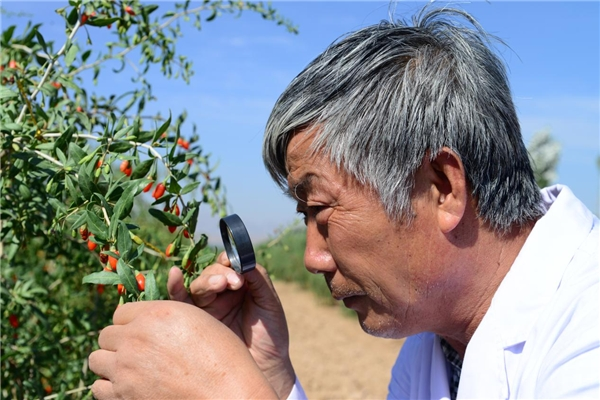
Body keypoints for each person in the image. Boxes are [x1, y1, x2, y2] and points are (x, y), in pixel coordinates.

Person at [89, 6, 599, 399]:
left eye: (321, 210)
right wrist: (270, 378)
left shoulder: (587, 327)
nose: (313, 257)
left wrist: (223, 390)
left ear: (443, 187)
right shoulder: (432, 350)